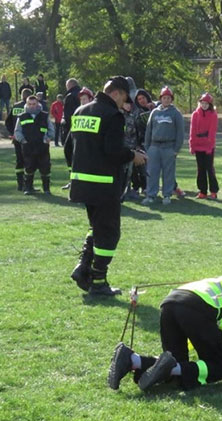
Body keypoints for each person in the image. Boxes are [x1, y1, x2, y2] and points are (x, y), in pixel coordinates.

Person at [68, 76, 147, 296]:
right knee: (109, 233)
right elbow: (113, 152)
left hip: (82, 183)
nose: (125, 104)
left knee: (97, 226)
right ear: (117, 93)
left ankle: (83, 266)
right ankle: (98, 280)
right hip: (103, 184)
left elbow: (68, 148)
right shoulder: (112, 115)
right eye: (125, 98)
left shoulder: (80, 112)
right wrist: (133, 155)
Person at [142, 86, 184, 204]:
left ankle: (167, 195)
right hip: (154, 147)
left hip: (169, 147)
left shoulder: (175, 113)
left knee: (168, 172)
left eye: (168, 98)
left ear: (171, 99)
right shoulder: (154, 112)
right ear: (160, 99)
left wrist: (176, 149)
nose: (166, 100)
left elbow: (180, 133)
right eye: (164, 98)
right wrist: (148, 147)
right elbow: (148, 130)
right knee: (152, 172)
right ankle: (151, 195)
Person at [14, 95, 55, 195]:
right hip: (28, 147)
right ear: (26, 104)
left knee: (45, 168)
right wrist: (23, 140)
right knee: (29, 167)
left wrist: (49, 138)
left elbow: (51, 129)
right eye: (30, 104)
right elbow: (17, 131)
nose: (32, 106)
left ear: (38, 104)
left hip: (42, 147)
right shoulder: (22, 116)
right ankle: (28, 188)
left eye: (34, 104)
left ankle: (46, 189)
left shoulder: (44, 115)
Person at [189, 92, 220, 198]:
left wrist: (210, 146)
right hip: (198, 145)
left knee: (209, 168)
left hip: (208, 146)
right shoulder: (195, 114)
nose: (204, 105)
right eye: (202, 103)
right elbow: (192, 131)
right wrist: (192, 145)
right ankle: (202, 191)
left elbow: (212, 132)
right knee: (200, 169)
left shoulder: (213, 115)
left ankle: (213, 191)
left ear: (210, 105)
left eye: (206, 104)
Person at [5, 88, 32, 191]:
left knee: (19, 161)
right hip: (27, 139)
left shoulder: (15, 106)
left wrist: (13, 133)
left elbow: (8, 122)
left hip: (17, 138)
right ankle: (28, 184)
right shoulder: (30, 106)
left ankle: (20, 184)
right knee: (28, 161)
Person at [60, 78, 82, 190]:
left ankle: (73, 180)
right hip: (82, 129)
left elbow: (69, 115)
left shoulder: (70, 96)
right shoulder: (82, 93)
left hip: (71, 129)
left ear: (69, 86)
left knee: (69, 152)